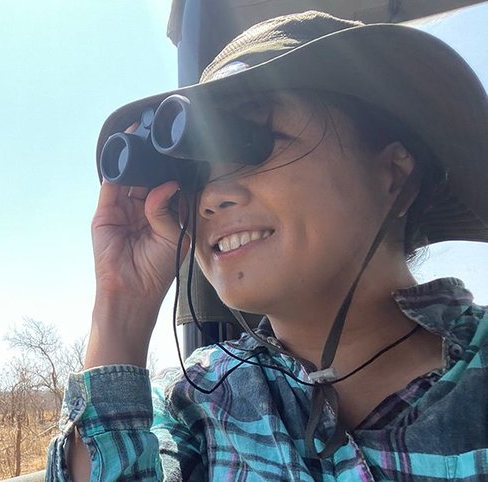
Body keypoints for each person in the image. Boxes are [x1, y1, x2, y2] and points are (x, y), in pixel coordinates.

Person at [45, 10, 488, 481]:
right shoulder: (202, 399)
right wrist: (121, 303)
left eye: (253, 143)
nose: (212, 197)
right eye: (196, 173)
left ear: (393, 176)